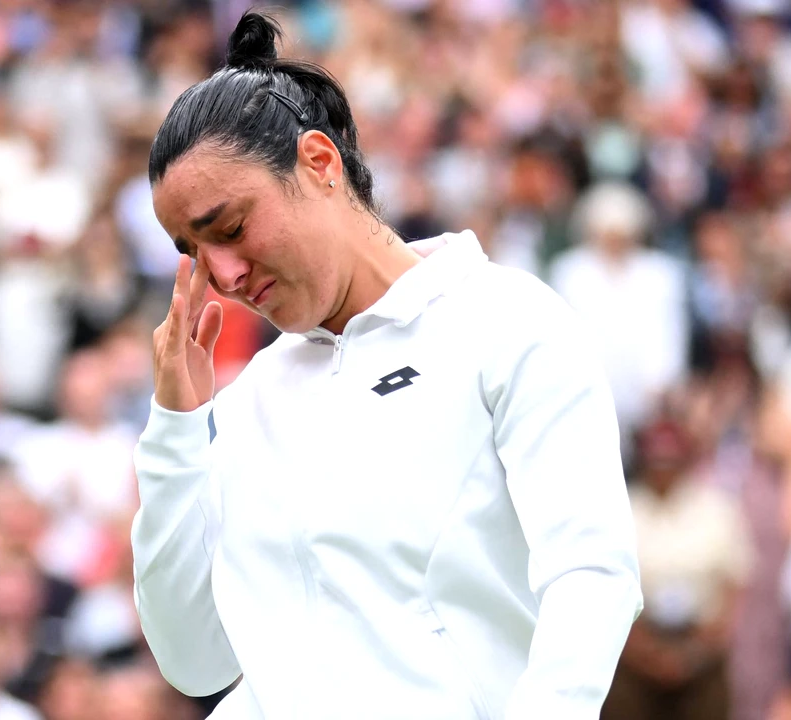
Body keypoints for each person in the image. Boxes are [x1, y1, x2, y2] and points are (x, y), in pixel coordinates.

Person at [131, 10, 642, 719]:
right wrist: (175, 435)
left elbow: (593, 576)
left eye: (231, 227)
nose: (223, 274)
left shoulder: (507, 321)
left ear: (319, 163)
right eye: (192, 251)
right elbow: (193, 660)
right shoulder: (248, 404)